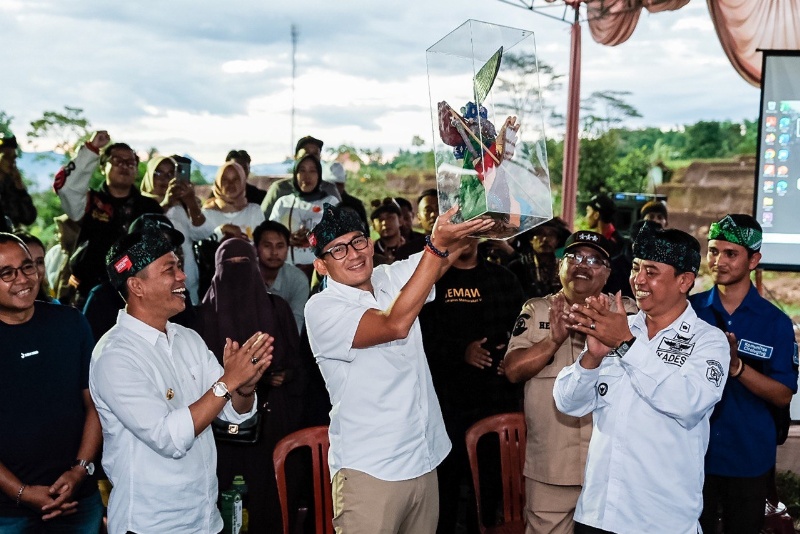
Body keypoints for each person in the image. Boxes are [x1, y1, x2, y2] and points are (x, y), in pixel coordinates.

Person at [304, 202, 494, 534]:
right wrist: (436, 246)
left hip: (424, 458)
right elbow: (394, 324)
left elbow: (445, 254)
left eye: (358, 241)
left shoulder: (387, 276)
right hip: (371, 472)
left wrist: (484, 190)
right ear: (321, 265)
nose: (353, 253)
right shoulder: (322, 308)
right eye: (338, 249)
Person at [89, 228, 274, 533]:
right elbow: (169, 438)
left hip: (204, 520)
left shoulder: (187, 338)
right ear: (136, 285)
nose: (182, 277)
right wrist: (228, 382)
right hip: (150, 524)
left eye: (179, 265)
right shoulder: (115, 356)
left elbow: (233, 414)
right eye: (169, 269)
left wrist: (245, 386)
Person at [553, 221, 730, 533]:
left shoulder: (708, 341)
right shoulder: (622, 326)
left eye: (652, 271)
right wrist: (592, 356)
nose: (638, 280)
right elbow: (568, 404)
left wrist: (626, 345)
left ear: (684, 281)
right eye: (636, 268)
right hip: (598, 514)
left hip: (658, 520)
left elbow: (688, 404)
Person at [503, 231, 637, 534]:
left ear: (607, 272)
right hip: (550, 468)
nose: (582, 265)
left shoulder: (625, 314)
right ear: (561, 265)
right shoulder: (537, 310)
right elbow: (512, 371)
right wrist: (552, 341)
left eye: (593, 260)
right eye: (574, 257)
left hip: (610, 468)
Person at [689, 214, 798, 534]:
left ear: (754, 260)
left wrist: (736, 367)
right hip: (694, 455)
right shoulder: (689, 311)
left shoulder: (775, 322)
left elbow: (782, 393)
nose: (718, 261)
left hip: (749, 458)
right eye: (712, 251)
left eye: (730, 253)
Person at [195, 238, 303, 534]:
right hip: (215, 425)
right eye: (229, 267)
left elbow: (297, 361)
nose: (238, 275)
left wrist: (278, 376)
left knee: (267, 501)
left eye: (244, 265)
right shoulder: (199, 316)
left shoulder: (277, 307)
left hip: (271, 423)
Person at [419, 237, 524, 533]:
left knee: (488, 491)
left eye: (470, 233)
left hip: (493, 401)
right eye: (457, 234)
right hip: (445, 404)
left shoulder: (504, 279)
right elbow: (417, 339)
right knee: (445, 490)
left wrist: (509, 354)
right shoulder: (431, 281)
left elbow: (522, 332)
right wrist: (461, 352)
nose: (464, 241)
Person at [0, 233, 103, 532]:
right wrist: (21, 493)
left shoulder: (71, 323)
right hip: (8, 511)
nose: (22, 278)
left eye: (28, 267)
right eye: (7, 273)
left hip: (78, 498)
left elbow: (94, 404)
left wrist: (80, 471)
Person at [54, 130, 163, 307]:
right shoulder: (89, 201)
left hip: (137, 293)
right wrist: (91, 149)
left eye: (131, 162)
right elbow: (66, 188)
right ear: (103, 167)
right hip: (88, 291)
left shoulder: (149, 207)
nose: (125, 166)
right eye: (117, 161)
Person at [82, 213, 195, 342]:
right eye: (154, 246)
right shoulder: (102, 298)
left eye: (172, 247)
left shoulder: (180, 294)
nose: (170, 252)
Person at [269, 151, 338, 271]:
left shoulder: (331, 202)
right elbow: (270, 236)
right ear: (295, 174)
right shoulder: (283, 202)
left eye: (312, 171)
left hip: (321, 273)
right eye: (302, 170)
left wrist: (312, 239)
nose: (307, 176)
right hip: (286, 270)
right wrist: (286, 239)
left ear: (319, 175)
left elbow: (339, 238)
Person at [261, 136, 341, 217]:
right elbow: (262, 221)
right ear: (296, 158)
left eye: (315, 154)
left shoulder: (330, 190)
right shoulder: (279, 189)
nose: (310, 158)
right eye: (305, 153)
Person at [253, 220, 310, 332]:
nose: (274, 252)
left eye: (280, 246)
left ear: (287, 249)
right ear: (255, 248)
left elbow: (296, 323)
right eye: (267, 246)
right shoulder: (244, 275)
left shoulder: (298, 279)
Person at [507, 218, 571, 299]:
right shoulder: (517, 267)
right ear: (531, 239)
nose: (545, 239)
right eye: (540, 233)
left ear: (557, 240)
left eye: (551, 235)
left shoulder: (564, 268)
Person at [202, 161, 265, 241]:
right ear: (218, 183)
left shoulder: (254, 211)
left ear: (243, 181)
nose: (230, 184)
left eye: (235, 179)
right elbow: (202, 245)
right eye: (225, 180)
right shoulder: (207, 214)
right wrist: (221, 230)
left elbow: (260, 243)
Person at [585, 194, 632, 298]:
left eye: (588, 211)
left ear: (596, 215)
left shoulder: (623, 245)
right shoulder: (590, 242)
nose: (586, 216)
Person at [0, 135, 36, 232]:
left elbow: (29, 218)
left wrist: (19, 186)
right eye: (6, 157)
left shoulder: (12, 185)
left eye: (14, 158)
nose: (11, 162)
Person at [395, 189, 439, 261]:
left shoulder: (459, 247)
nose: (433, 214)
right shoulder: (407, 252)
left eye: (438, 209)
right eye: (428, 210)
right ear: (419, 218)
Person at [323, 162, 368, 229]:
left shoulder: (356, 205)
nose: (334, 188)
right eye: (331, 185)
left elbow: (365, 232)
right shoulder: (317, 203)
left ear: (343, 184)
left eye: (338, 185)